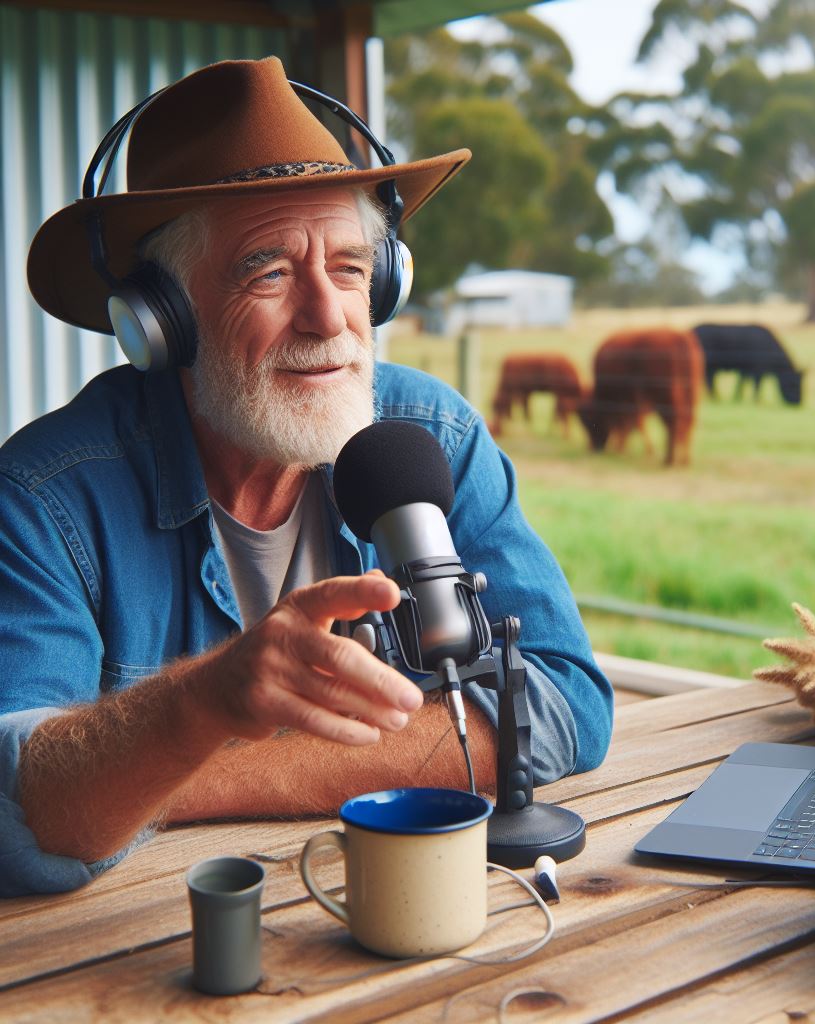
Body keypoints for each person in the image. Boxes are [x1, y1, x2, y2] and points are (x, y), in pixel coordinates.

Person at [0, 57, 613, 897]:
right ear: (162, 321)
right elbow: (26, 810)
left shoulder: (431, 435)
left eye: (353, 269)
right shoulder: (40, 498)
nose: (329, 317)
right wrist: (202, 703)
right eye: (271, 270)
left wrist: (176, 774)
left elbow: (563, 702)